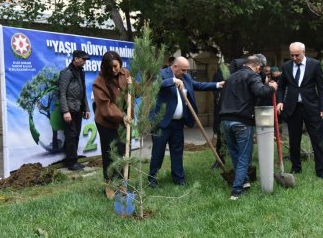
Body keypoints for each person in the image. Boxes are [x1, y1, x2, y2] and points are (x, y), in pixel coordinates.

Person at [148, 56, 224, 187]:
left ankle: (179, 178)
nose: (185, 73)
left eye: (187, 70)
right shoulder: (161, 74)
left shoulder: (186, 77)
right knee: (158, 152)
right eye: (183, 70)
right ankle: (152, 179)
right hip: (162, 123)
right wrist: (173, 80)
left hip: (178, 123)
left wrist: (217, 85)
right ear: (175, 66)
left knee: (177, 151)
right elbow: (157, 85)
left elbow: (198, 85)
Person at [219, 55, 277, 200]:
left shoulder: (231, 77)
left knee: (235, 154)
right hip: (242, 122)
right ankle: (236, 191)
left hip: (225, 121)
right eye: (260, 69)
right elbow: (261, 92)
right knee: (244, 156)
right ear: (257, 67)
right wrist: (272, 87)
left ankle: (244, 182)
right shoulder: (252, 76)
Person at [276, 42, 323, 179]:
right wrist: (280, 101)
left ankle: (321, 171)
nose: (294, 58)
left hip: (312, 107)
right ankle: (296, 167)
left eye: (296, 55)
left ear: (303, 52)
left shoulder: (314, 65)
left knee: (317, 139)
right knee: (294, 140)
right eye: (291, 55)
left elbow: (322, 88)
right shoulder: (286, 66)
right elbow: (281, 86)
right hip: (293, 108)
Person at [92, 51, 132, 192]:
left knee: (124, 151)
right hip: (107, 122)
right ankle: (109, 185)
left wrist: (133, 86)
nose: (115, 70)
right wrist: (122, 117)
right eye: (111, 68)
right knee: (111, 152)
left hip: (124, 120)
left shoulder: (125, 73)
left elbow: (134, 92)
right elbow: (105, 105)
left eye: (116, 66)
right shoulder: (99, 82)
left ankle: (123, 184)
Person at [59, 50, 91, 171]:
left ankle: (74, 160)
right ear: (76, 59)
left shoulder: (80, 72)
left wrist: (86, 108)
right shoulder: (66, 73)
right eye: (83, 59)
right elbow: (61, 93)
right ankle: (71, 163)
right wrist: (65, 111)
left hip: (78, 109)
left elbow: (83, 92)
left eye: (85, 60)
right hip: (69, 109)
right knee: (71, 135)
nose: (84, 62)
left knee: (76, 135)